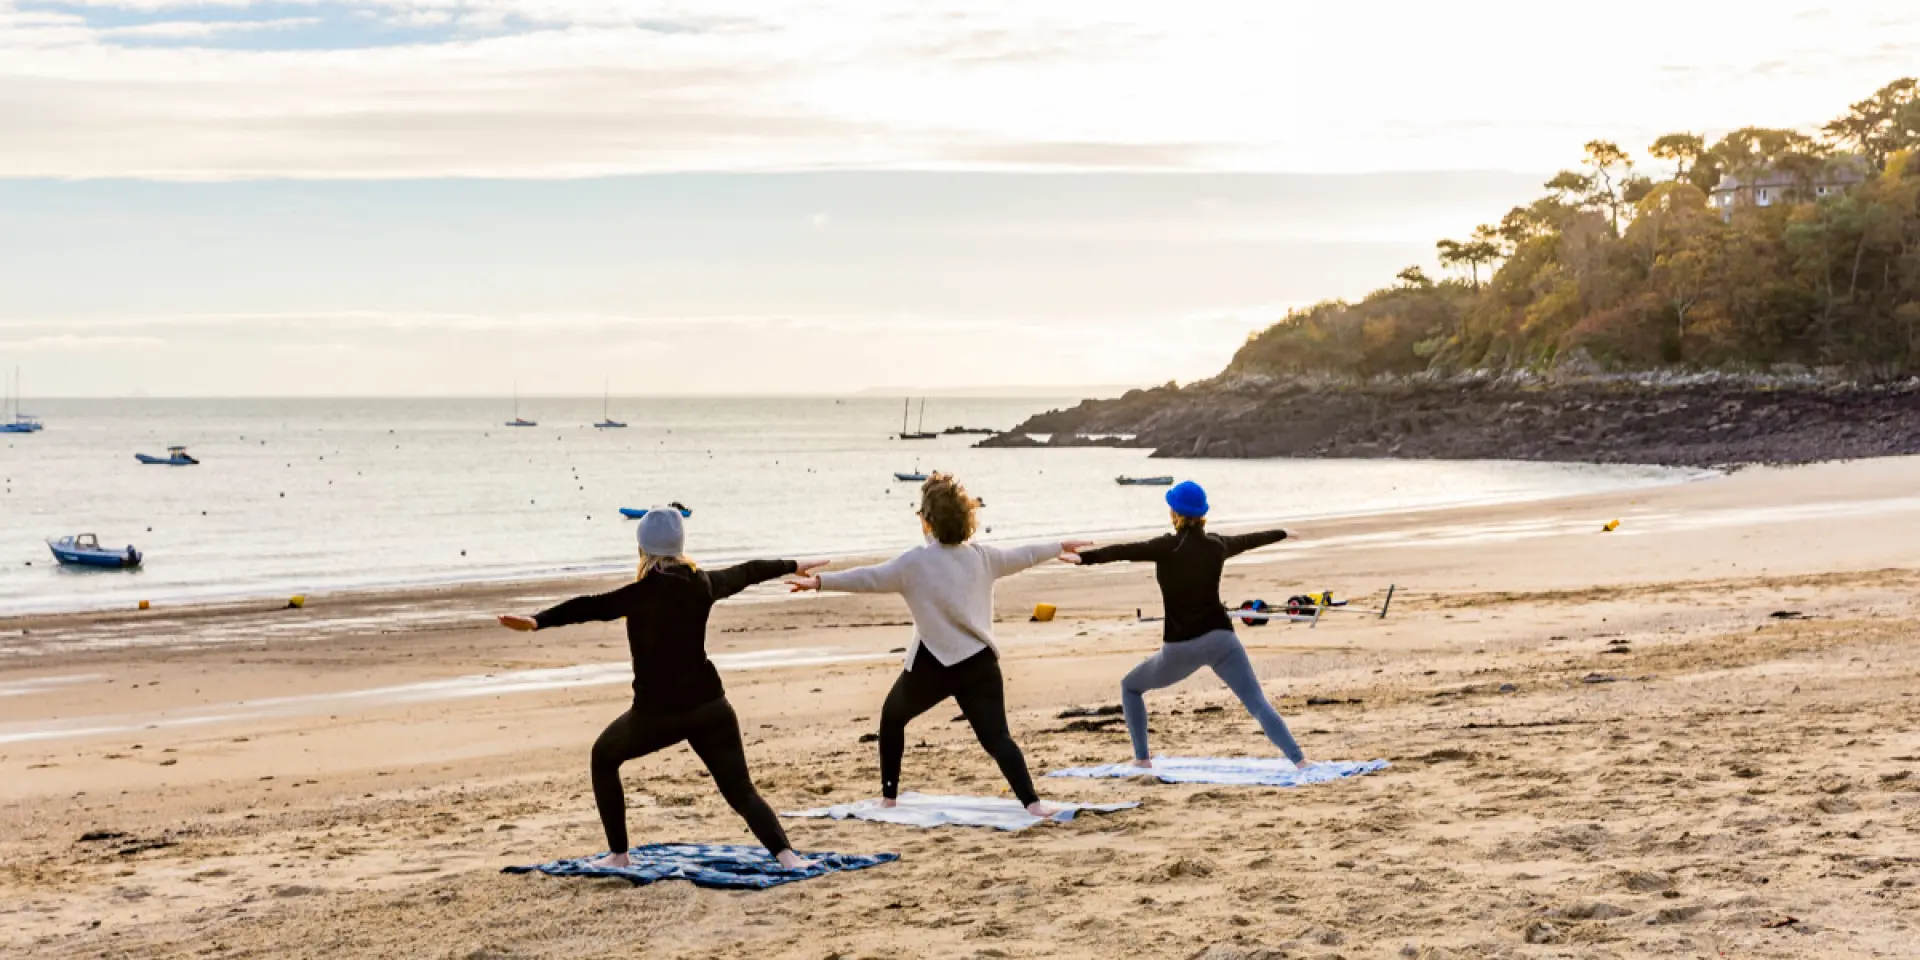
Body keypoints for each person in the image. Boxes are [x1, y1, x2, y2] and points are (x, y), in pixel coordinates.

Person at [498, 508, 819, 869]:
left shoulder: (639, 595)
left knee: (603, 758)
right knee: (741, 791)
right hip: (710, 707)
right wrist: (793, 564)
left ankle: (619, 856)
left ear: (642, 549)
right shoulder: (703, 584)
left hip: (657, 716)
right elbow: (747, 572)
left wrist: (537, 621)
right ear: (679, 546)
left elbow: (589, 607)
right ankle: (789, 857)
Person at [789, 473, 1088, 815]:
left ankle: (889, 798)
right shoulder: (983, 556)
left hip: (934, 665)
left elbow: (868, 578)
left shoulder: (913, 563)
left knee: (891, 719)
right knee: (997, 739)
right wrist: (1058, 547)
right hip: (979, 664)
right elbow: (1024, 554)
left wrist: (819, 582)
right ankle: (1033, 804)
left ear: (927, 521)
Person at [1062, 480, 1306, 769]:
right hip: (1222, 641)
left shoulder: (1168, 546)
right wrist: (1281, 533)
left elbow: (1126, 550)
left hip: (1181, 648)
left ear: (1174, 513)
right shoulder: (1217, 544)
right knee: (1256, 702)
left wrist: (1084, 558)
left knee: (1130, 687)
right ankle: (1301, 762)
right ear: (1203, 514)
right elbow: (1247, 540)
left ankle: (1142, 761)